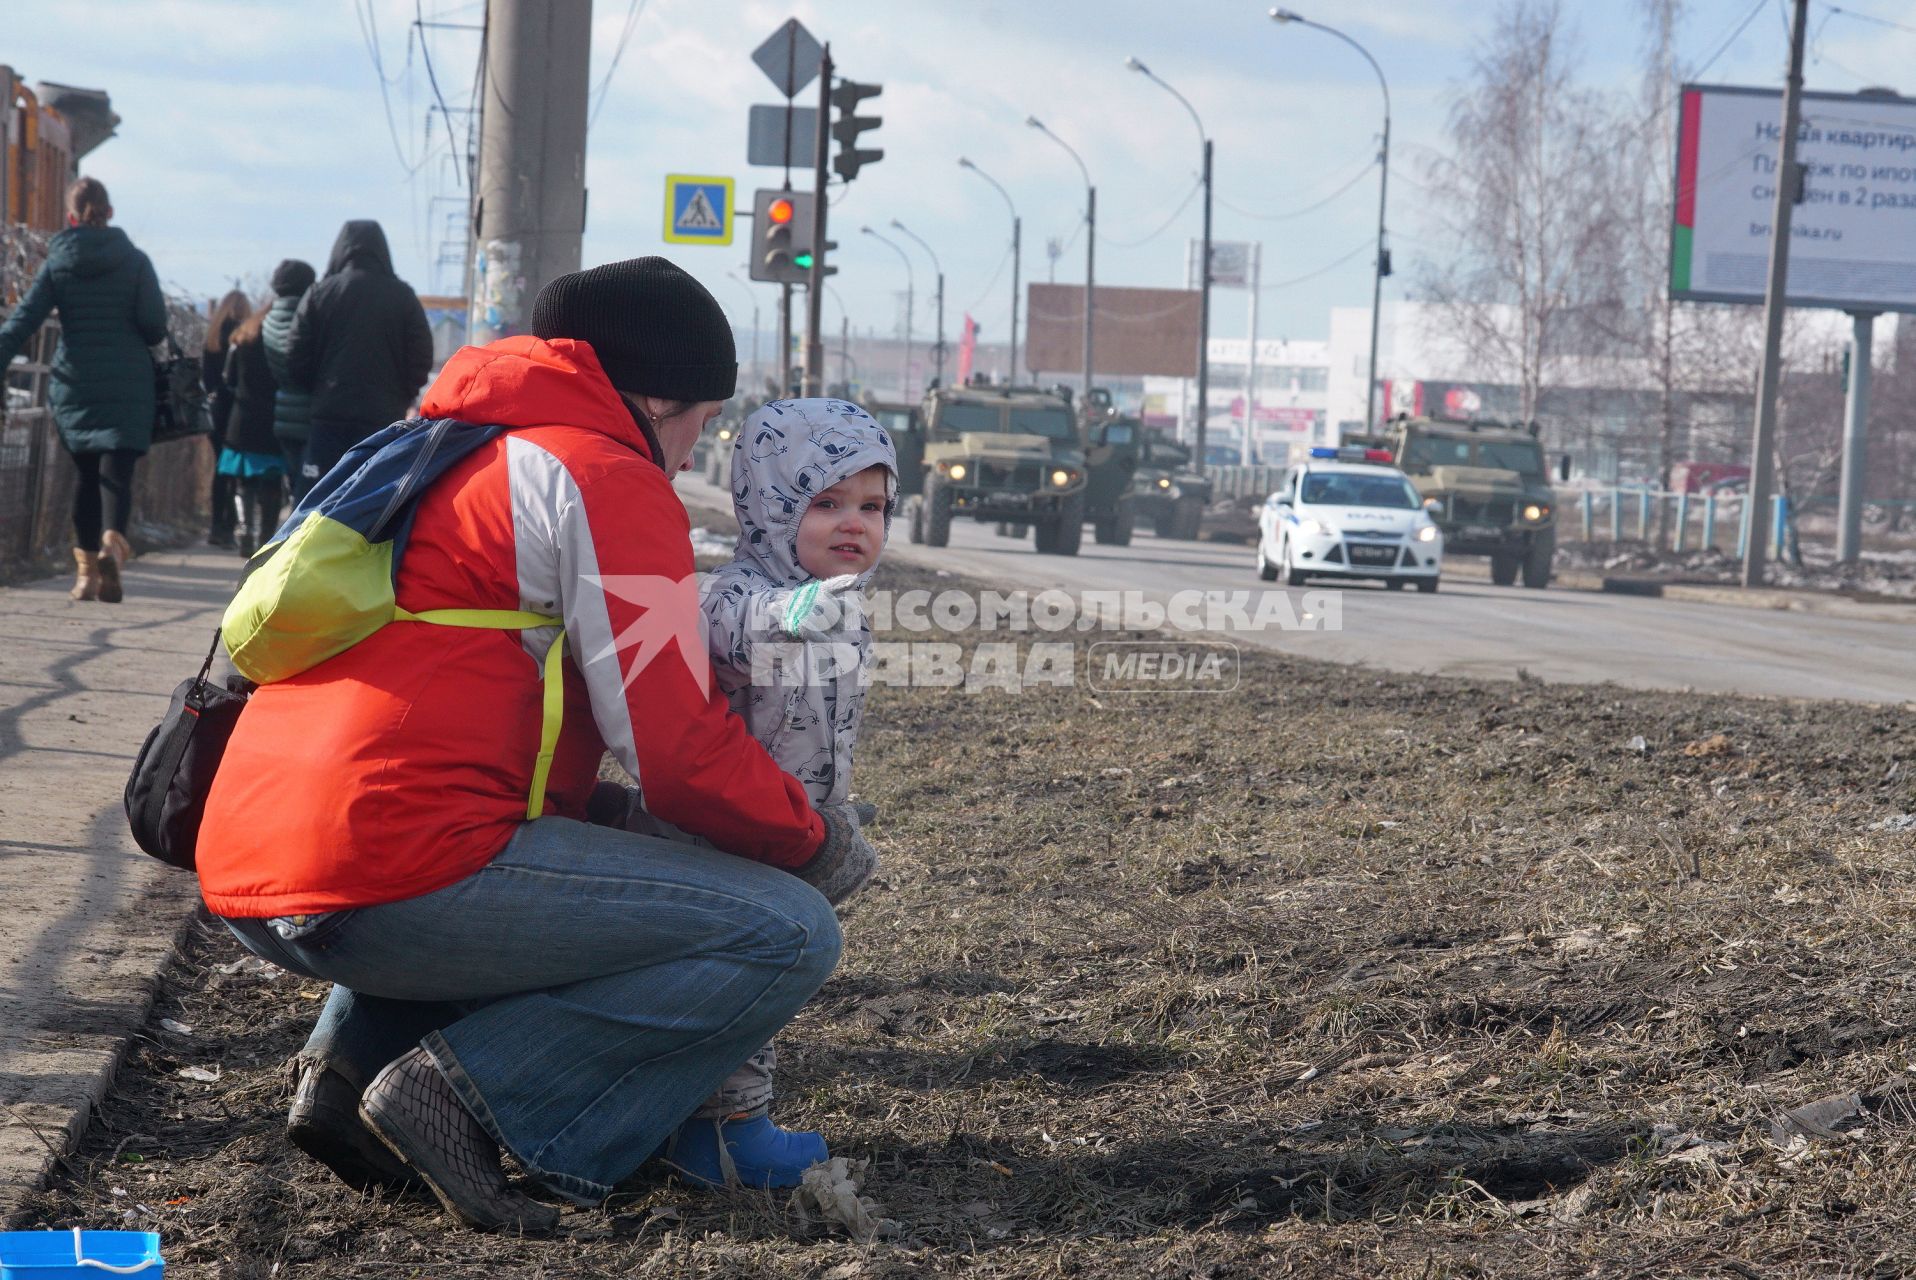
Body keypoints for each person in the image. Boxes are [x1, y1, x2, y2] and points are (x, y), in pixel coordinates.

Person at [195, 257, 876, 1233]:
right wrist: (808, 838)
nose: (692, 452)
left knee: (588, 871)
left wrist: (611, 811)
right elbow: (676, 746)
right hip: (386, 872)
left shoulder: (441, 446)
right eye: (700, 421)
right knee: (786, 929)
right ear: (656, 398)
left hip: (258, 858)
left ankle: (342, 1074)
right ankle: (475, 1100)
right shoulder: (607, 478)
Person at [603, 397, 896, 1188]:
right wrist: (796, 612)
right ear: (769, 508)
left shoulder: (842, 603)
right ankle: (727, 1135)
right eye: (825, 503)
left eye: (872, 506)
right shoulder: (736, 594)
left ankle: (703, 1121)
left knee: (764, 985)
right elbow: (737, 634)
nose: (853, 524)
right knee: (744, 973)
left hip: (785, 826)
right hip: (720, 835)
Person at [0, 177, 167, 603]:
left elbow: (25, 320)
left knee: (85, 478)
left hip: (76, 385)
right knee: (116, 478)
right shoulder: (136, 261)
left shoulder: (59, 262)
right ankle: (113, 543)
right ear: (110, 213)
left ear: (71, 217)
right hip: (129, 383)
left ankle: (86, 577)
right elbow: (153, 327)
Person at [283, 220, 432, 490]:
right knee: (370, 499)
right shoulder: (403, 296)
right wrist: (401, 393)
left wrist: (317, 388)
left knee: (317, 499)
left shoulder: (320, 293)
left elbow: (294, 354)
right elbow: (421, 357)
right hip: (382, 419)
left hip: (328, 416)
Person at [219, 302, 288, 556]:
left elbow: (229, 381)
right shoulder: (283, 343)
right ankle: (266, 537)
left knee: (245, 481)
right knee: (272, 482)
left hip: (243, 418)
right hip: (274, 420)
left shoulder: (242, 341)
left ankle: (245, 527)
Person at [258, 259, 316, 494]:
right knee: (314, 489)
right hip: (311, 414)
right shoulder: (308, 319)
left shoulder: (268, 320)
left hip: (283, 414)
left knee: (295, 485)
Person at [203, 289, 252, 548]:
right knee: (237, 472)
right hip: (239, 413)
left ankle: (215, 525)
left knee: (220, 470)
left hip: (215, 413)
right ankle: (233, 524)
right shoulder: (247, 336)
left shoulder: (212, 337)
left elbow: (207, 379)